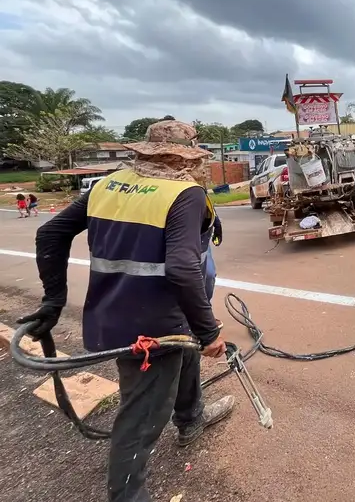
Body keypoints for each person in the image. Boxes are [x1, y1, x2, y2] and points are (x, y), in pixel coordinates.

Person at [16, 119, 235, 502]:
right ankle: (127, 495)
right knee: (141, 418)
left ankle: (190, 420)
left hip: (119, 314)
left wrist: (53, 301)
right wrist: (209, 333)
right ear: (187, 157)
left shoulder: (106, 186)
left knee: (185, 362)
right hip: (154, 326)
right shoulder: (185, 194)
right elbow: (182, 267)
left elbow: (49, 233)